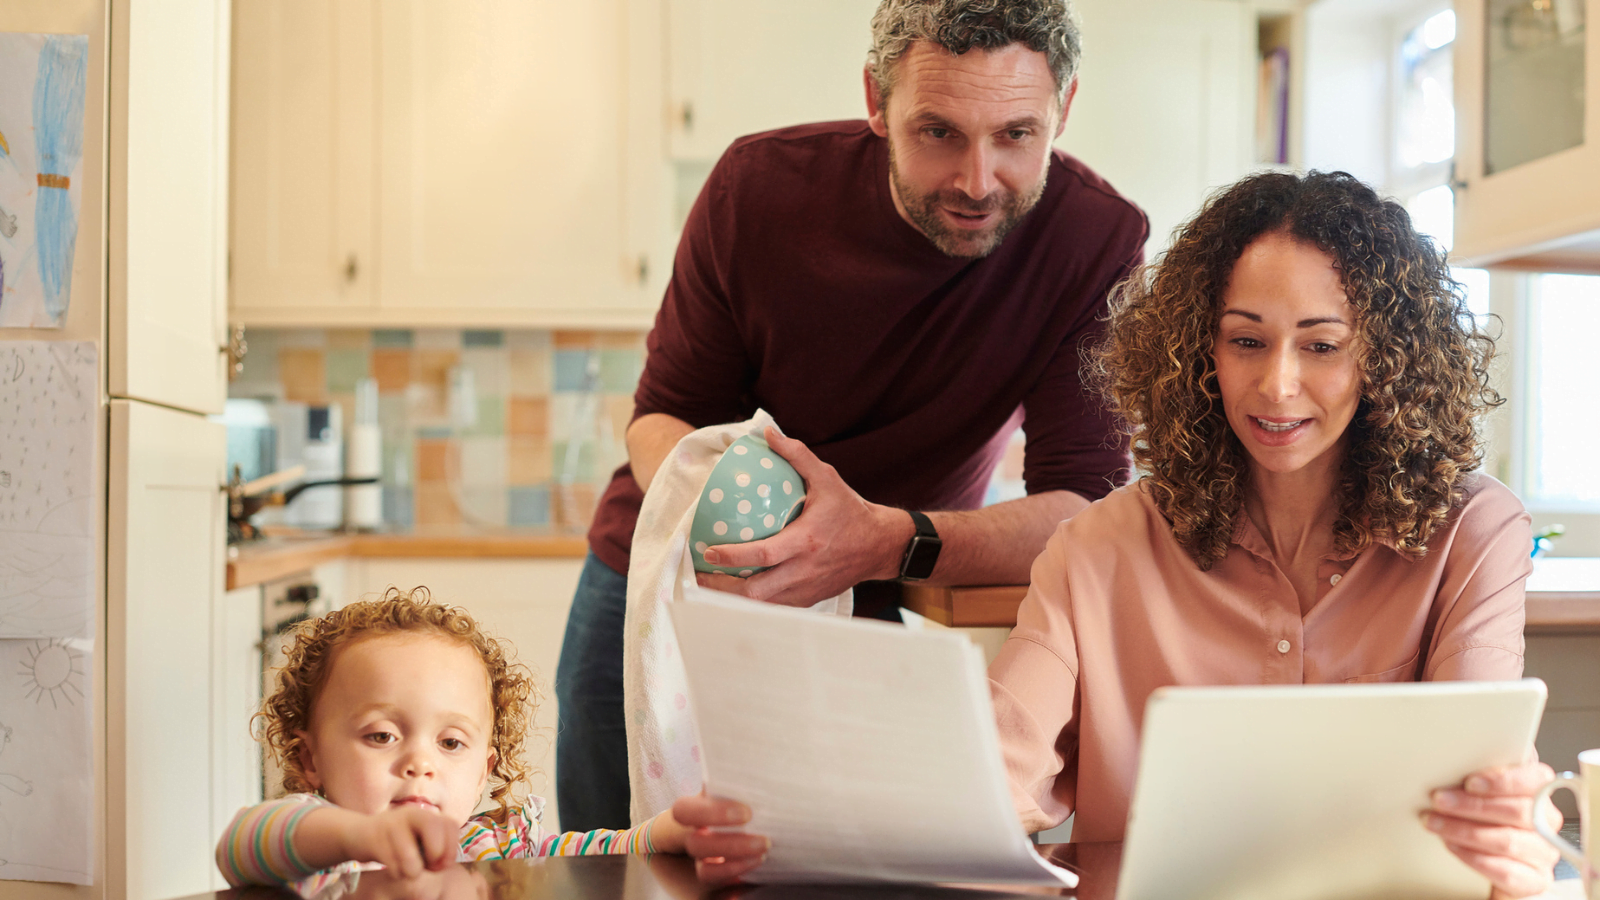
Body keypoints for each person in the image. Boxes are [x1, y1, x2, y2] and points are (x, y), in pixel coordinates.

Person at [673, 170, 1567, 898]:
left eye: (1323, 346)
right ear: (1198, 353)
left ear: (1385, 356)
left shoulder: (1470, 533)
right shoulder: (1099, 549)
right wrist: (794, 814)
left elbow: (1486, 792)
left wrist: (1513, 837)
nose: (1279, 386)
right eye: (1245, 341)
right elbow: (989, 775)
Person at [557, 0, 1149, 832]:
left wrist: (880, 540)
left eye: (1017, 134)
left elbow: (1082, 506)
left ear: (1065, 108)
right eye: (938, 132)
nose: (978, 182)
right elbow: (664, 420)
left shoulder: (1096, 240)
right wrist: (754, 530)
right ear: (876, 100)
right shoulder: (757, 190)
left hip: (875, 598)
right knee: (614, 870)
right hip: (662, 581)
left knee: (829, 867)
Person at [214, 588, 709, 893]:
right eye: (381, 735)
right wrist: (355, 836)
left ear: (483, 771)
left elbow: (588, 861)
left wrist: (658, 836)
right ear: (311, 759)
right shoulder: (320, 855)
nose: (419, 763)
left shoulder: (496, 849)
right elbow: (239, 845)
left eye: (450, 744)